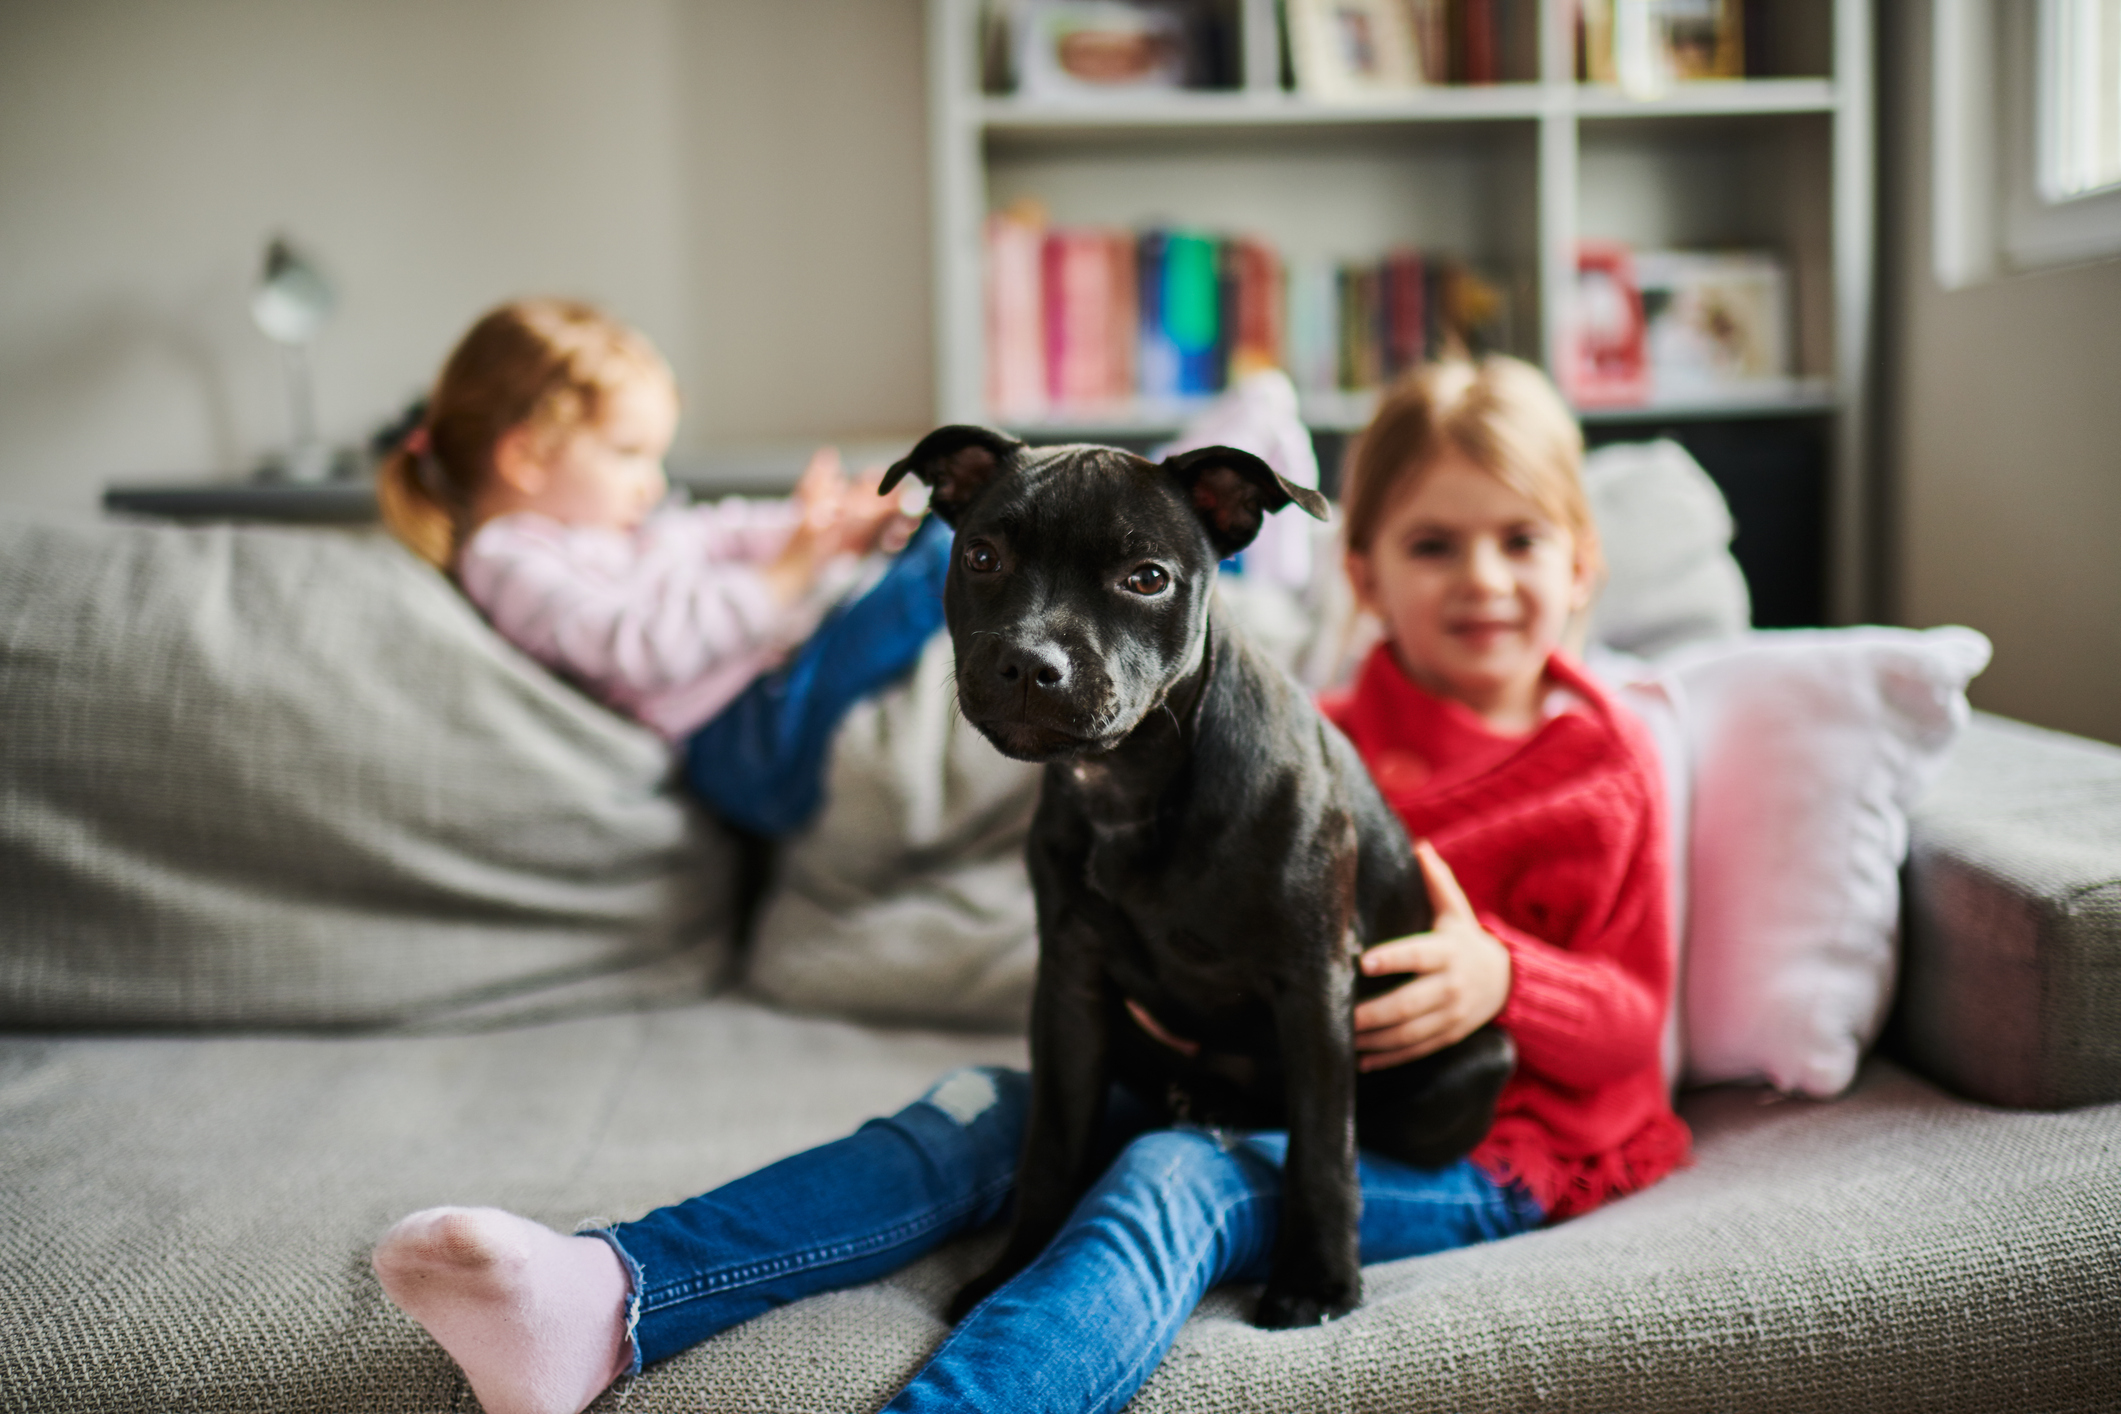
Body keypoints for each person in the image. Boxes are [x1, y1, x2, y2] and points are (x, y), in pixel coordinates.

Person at [370, 355, 1690, 1414]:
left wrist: (1503, 974)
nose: (1481, 579)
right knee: (973, 1112)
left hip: (1478, 1135)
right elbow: (1085, 968)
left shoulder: (1599, 762)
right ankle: (606, 1288)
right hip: (1228, 1076)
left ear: (1581, 566)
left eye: (1520, 542)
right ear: (1361, 570)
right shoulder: (1297, 728)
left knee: (1173, 1175)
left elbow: (1641, 1015)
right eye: (1436, 545)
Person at [376, 298, 948, 837]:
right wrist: (785, 578)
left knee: (927, 542)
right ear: (526, 457)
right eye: (628, 454)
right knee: (945, 556)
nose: (654, 483)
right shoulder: (508, 560)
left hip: (766, 691)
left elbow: (717, 532)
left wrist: (821, 528)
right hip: (742, 743)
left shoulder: (616, 528)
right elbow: (639, 646)